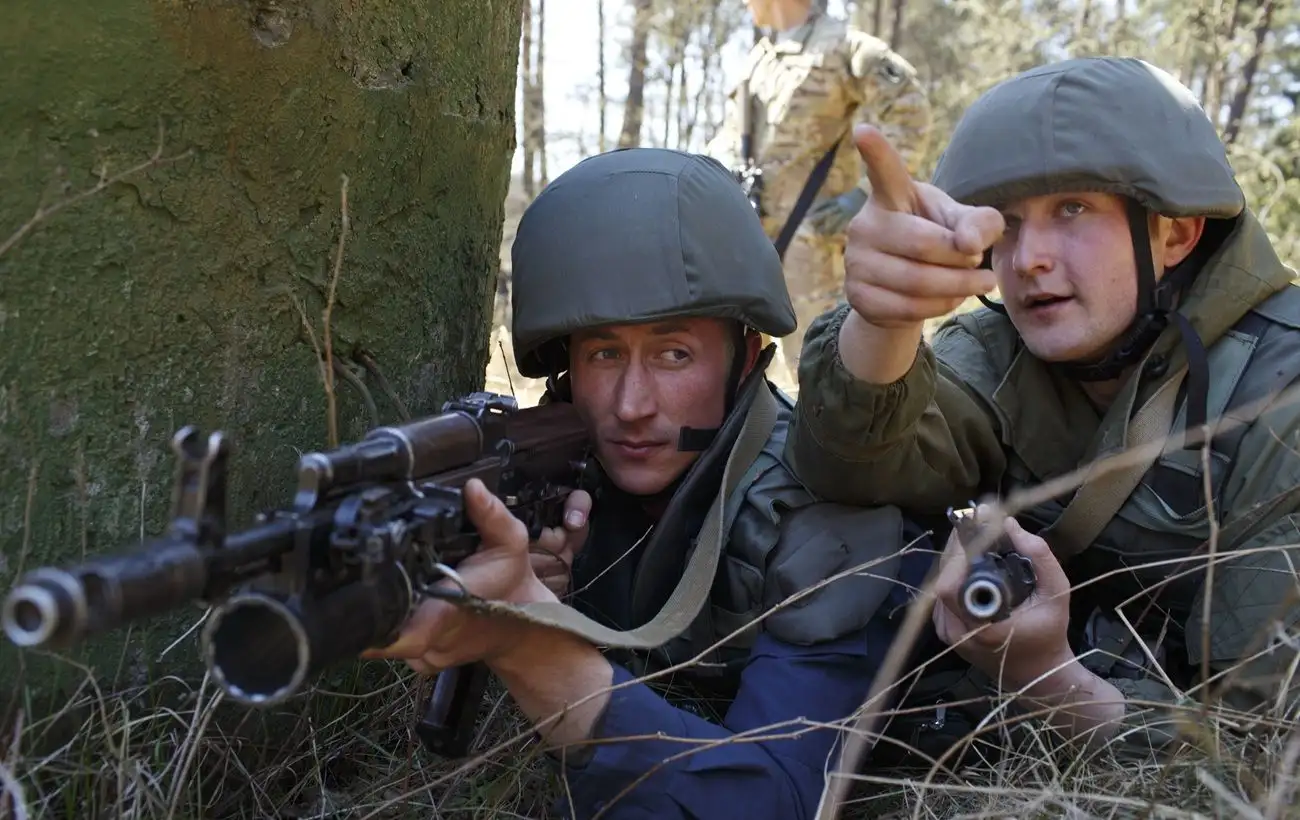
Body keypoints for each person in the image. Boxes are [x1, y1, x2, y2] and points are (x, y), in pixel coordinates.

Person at [364, 147, 937, 817]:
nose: (633, 404)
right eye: (604, 353)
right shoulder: (566, 478)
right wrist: (543, 587)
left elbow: (774, 801)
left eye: (674, 354)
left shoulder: (822, 517)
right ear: (567, 371)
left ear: (744, 360)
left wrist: (532, 642)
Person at [786, 55, 1300, 761]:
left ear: (1175, 234)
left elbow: (1258, 749)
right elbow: (847, 469)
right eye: (1009, 223)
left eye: (1073, 210)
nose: (1028, 258)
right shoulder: (1000, 349)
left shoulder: (1282, 394)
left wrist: (1049, 681)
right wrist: (878, 321)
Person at [703, 0, 933, 381]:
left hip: (813, 252)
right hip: (751, 246)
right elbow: (728, 140)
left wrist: (864, 193)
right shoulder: (758, 62)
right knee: (745, 376)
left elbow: (910, 111)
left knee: (820, 372)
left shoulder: (844, 47)